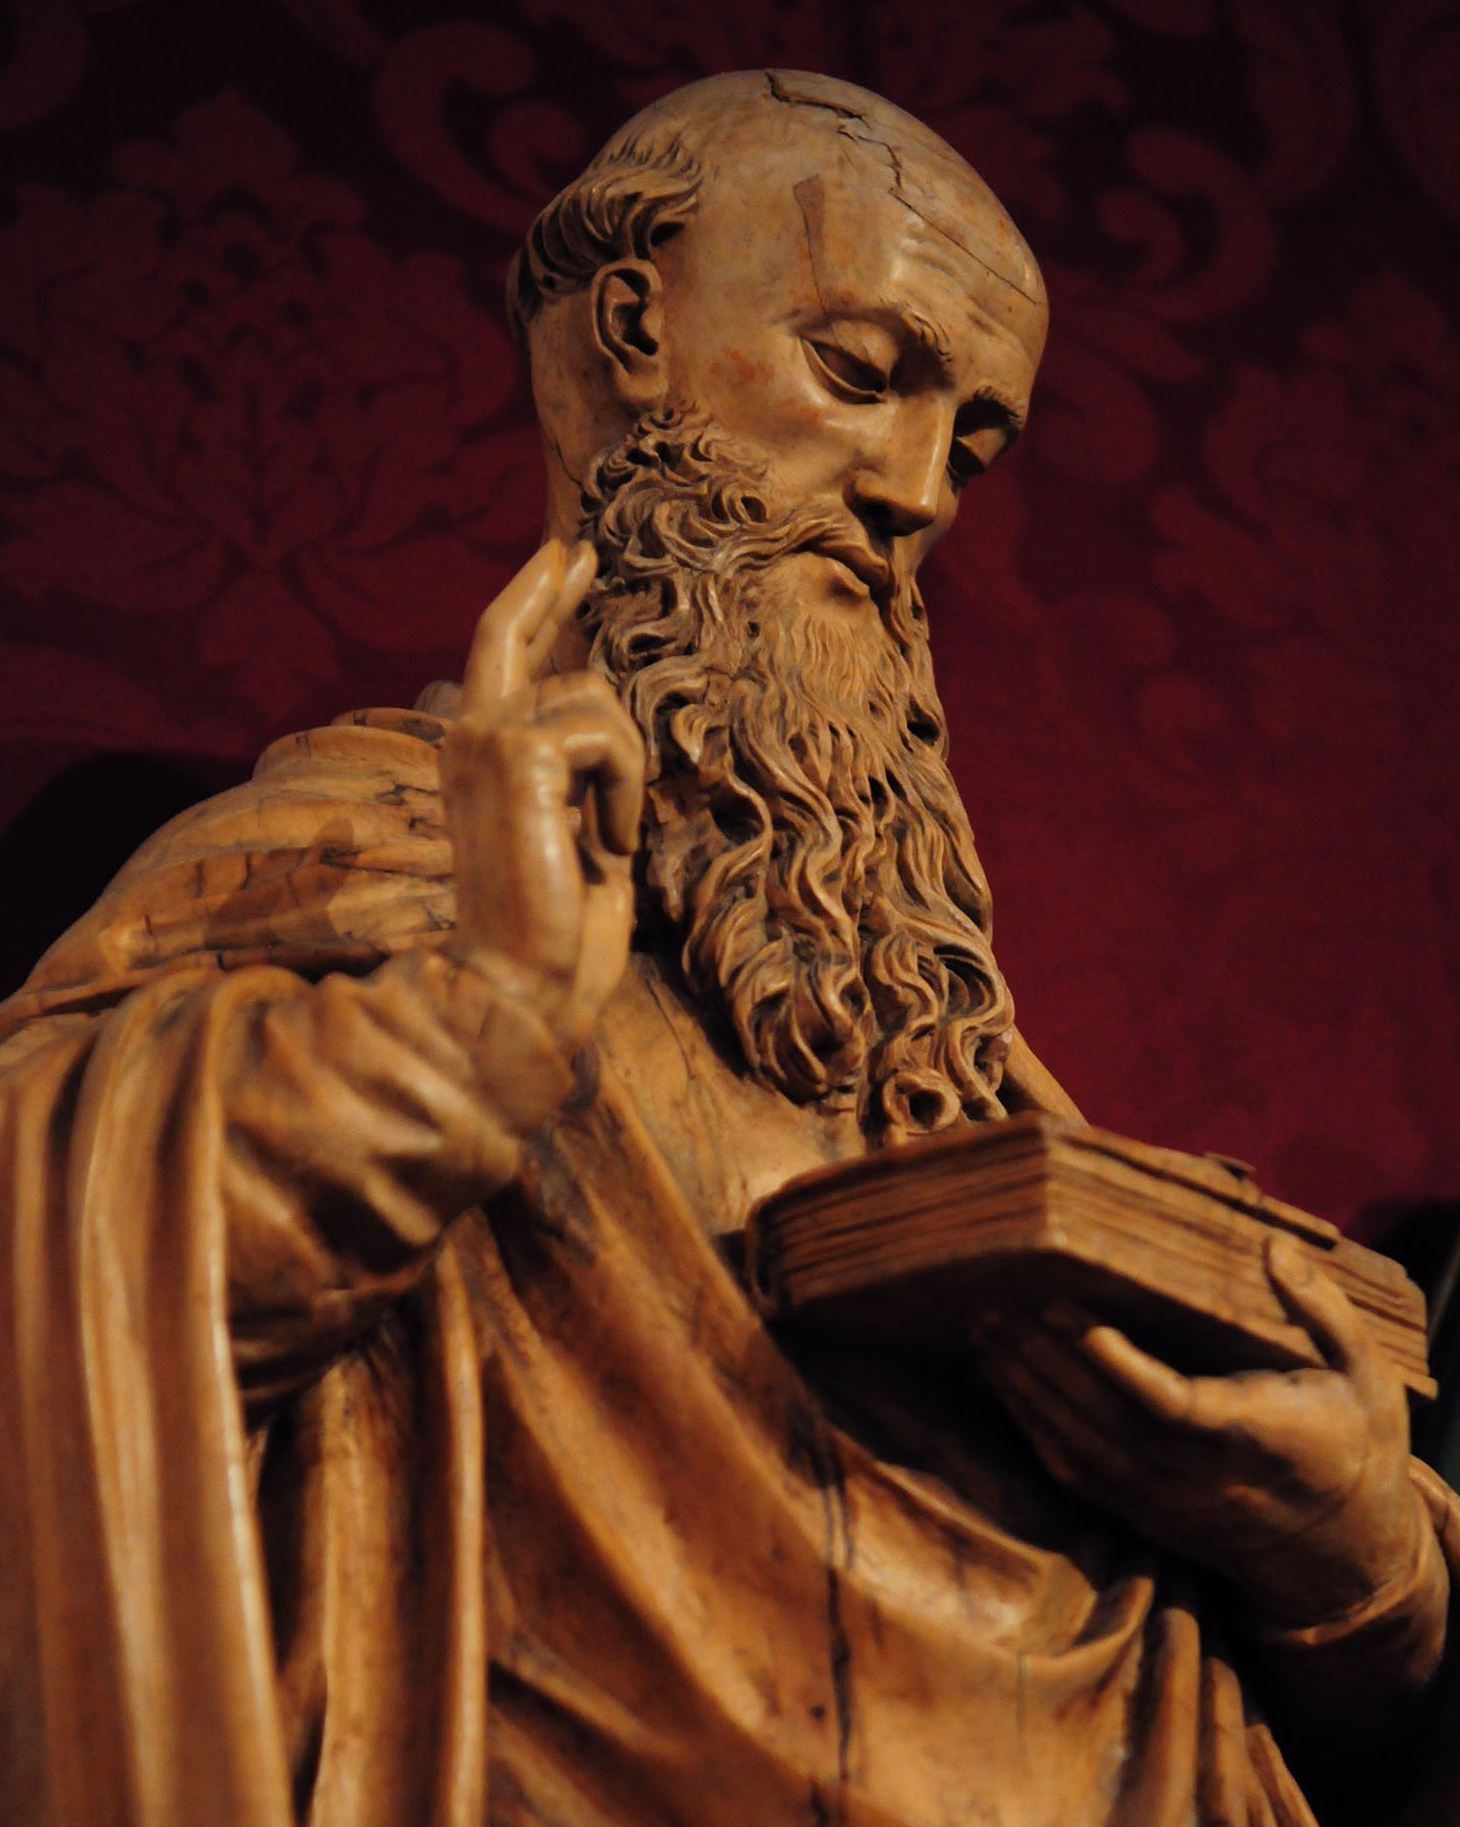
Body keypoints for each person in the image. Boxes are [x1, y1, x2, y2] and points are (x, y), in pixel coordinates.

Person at [1, 68, 1456, 1827]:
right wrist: (479, 1029)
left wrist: (1353, 1550)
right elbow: (66, 1259)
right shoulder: (360, 865)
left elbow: (1358, 1692)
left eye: (973, 445)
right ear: (634, 329)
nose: (917, 495)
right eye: (862, 370)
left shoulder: (921, 1014)